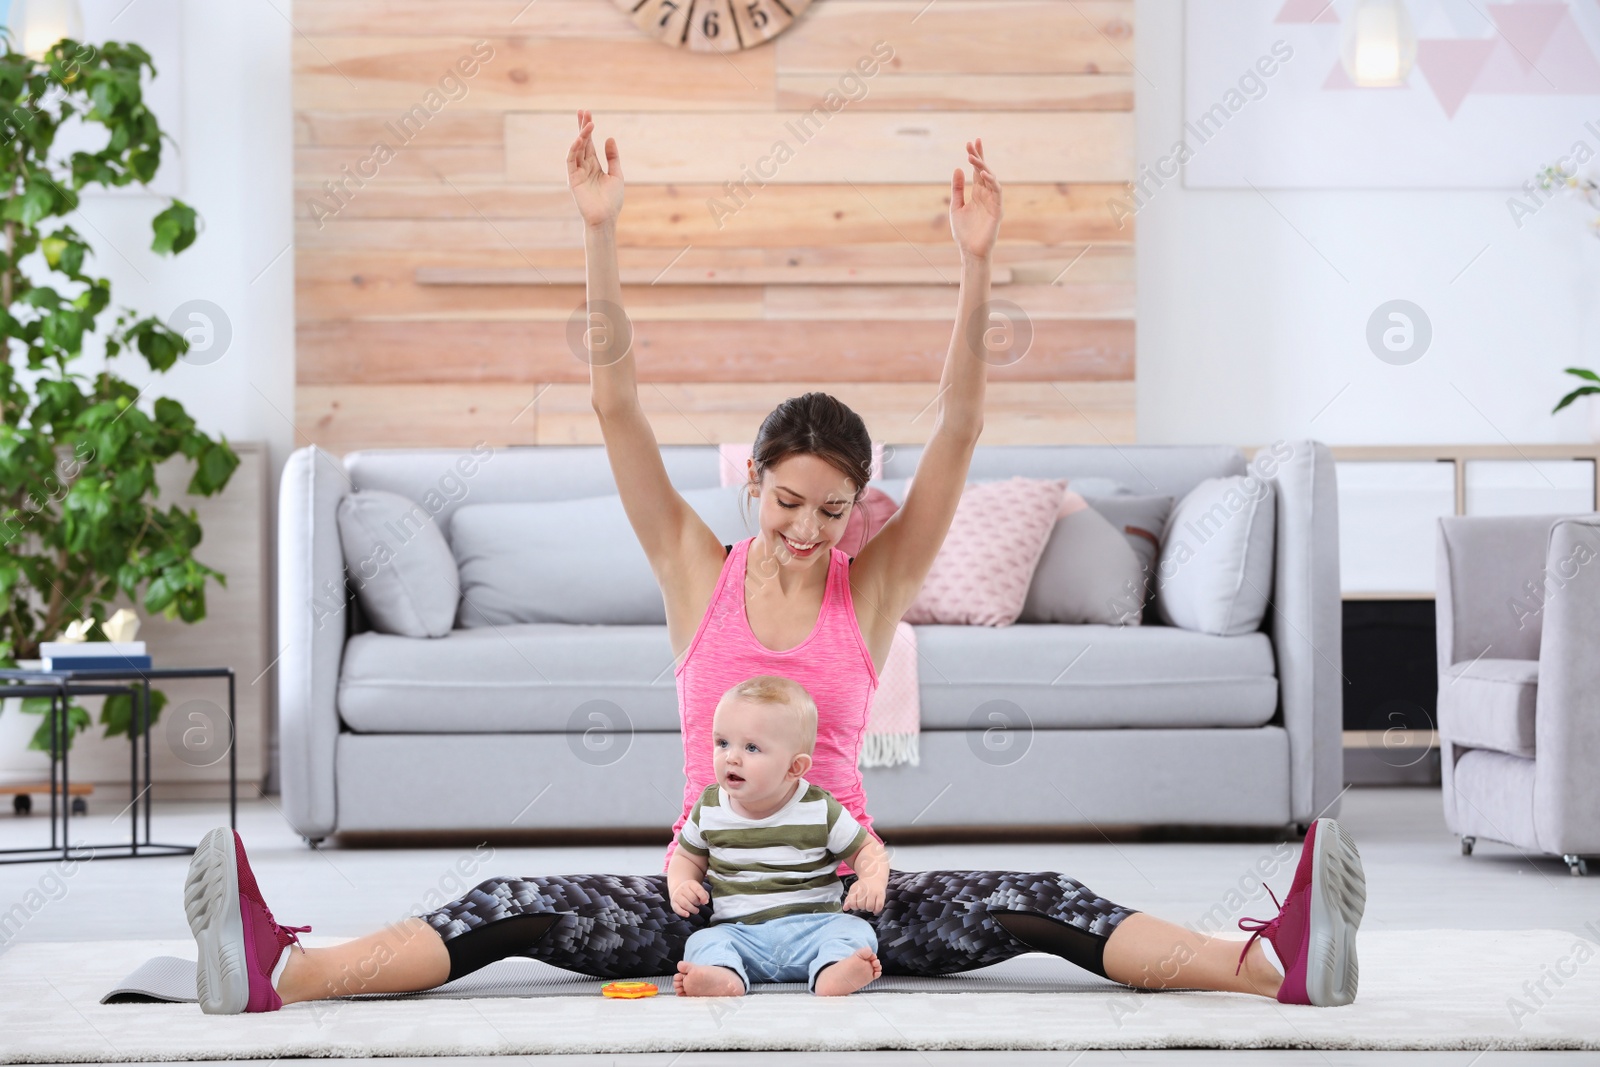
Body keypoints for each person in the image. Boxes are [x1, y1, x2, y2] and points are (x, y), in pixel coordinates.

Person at [182, 109, 1366, 1015]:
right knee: (510, 902)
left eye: (832, 508)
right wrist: (598, 234)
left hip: (849, 904)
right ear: (755, 482)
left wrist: (975, 262)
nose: (807, 526)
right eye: (789, 499)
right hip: (704, 903)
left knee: (1041, 898)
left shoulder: (875, 586)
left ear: (857, 509)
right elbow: (615, 406)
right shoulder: (697, 570)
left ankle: (1269, 966)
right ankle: (288, 969)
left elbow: (956, 433)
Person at [670, 675, 887, 998]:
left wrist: (871, 882)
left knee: (855, 930)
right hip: (741, 935)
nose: (731, 757)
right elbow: (687, 857)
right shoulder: (710, 807)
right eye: (723, 743)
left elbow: (868, 850)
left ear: (794, 768)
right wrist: (682, 884)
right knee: (702, 941)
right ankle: (723, 977)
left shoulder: (817, 808)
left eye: (752, 747)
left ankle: (832, 971)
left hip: (815, 930)